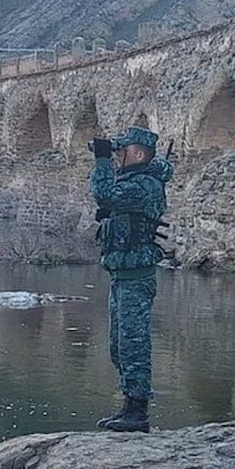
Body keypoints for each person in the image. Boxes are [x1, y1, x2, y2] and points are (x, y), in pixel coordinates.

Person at [89, 126, 173, 433]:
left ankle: (138, 413)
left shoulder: (145, 185)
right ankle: (128, 406)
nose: (116, 157)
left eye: (121, 151)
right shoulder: (135, 182)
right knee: (119, 344)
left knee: (134, 343)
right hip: (122, 273)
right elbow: (112, 201)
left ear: (138, 153)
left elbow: (103, 192)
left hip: (136, 276)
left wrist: (100, 161)